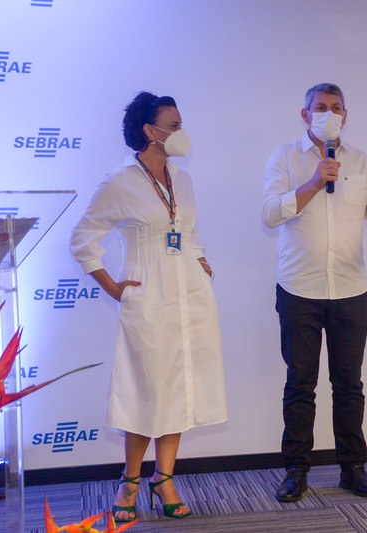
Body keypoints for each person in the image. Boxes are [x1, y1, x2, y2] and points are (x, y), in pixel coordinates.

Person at [69, 91, 227, 521]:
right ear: (149, 131)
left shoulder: (182, 178)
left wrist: (200, 259)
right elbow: (82, 239)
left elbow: (187, 229)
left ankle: (165, 478)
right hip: (148, 296)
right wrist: (112, 287)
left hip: (190, 295)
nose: (182, 131)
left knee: (180, 386)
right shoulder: (118, 181)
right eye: (174, 125)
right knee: (146, 389)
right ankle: (130, 481)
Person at [262, 82, 367, 503]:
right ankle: (296, 470)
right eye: (321, 107)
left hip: (349, 289)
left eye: (336, 107)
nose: (329, 114)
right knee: (299, 384)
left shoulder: (361, 161)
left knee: (348, 385)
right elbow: (269, 214)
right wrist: (312, 183)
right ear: (305, 115)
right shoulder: (284, 157)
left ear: (346, 115)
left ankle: (352, 468)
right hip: (299, 289)